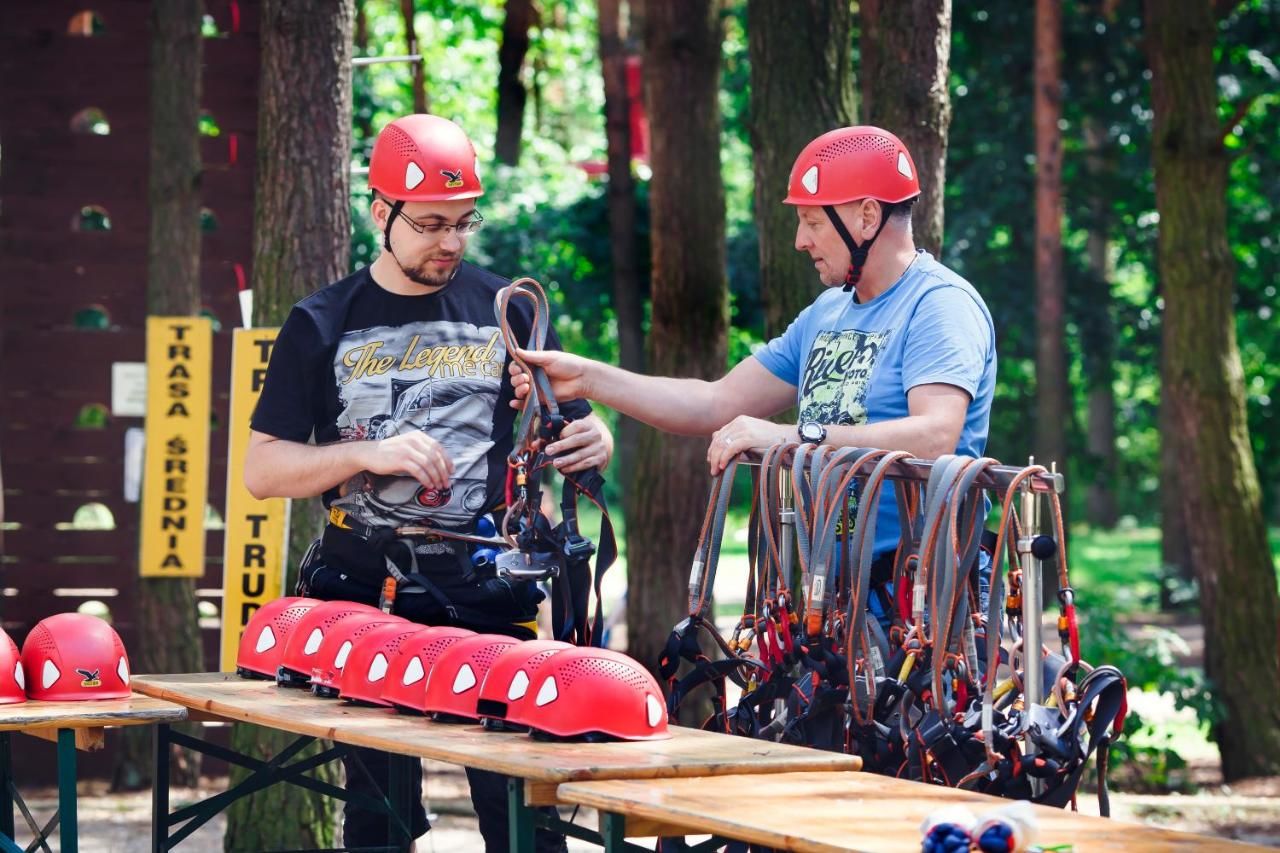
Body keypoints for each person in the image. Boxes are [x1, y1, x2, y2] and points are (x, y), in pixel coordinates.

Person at [245, 113, 608, 853]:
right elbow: (262, 470)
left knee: (524, 819)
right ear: (382, 213)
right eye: (432, 223)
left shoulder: (512, 310)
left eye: (464, 223)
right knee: (378, 819)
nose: (450, 242)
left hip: (489, 586)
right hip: (363, 588)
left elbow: (571, 429)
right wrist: (364, 455)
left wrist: (590, 437)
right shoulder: (320, 322)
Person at [513, 125, 996, 594]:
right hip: (827, 590)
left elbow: (935, 436)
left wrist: (792, 438)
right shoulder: (827, 313)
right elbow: (714, 402)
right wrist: (588, 378)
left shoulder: (940, 305)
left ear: (867, 217)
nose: (800, 241)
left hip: (919, 597)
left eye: (812, 222)